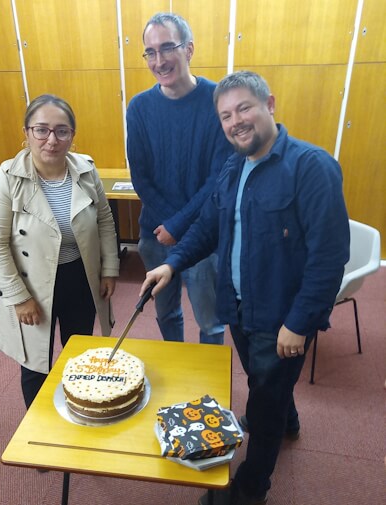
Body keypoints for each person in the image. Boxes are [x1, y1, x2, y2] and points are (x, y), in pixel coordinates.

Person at [140, 71, 350, 505]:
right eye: (225, 115)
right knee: (262, 380)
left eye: (244, 108)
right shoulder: (234, 166)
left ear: (269, 104)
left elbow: (329, 260)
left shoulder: (312, 167)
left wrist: (299, 323)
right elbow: (209, 227)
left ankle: (251, 489)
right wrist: (172, 265)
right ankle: (285, 417)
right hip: (237, 306)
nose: (235, 121)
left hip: (281, 318)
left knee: (265, 401)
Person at [0, 94, 120, 409]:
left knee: (79, 352)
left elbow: (103, 219)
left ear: (72, 135)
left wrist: (110, 267)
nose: (51, 140)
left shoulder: (85, 168)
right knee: (35, 362)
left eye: (62, 131)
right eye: (41, 129)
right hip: (32, 284)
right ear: (27, 132)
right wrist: (18, 296)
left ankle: (80, 409)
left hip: (80, 276)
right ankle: (38, 428)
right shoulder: (6, 178)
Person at [126, 12, 233, 344]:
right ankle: (176, 376)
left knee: (210, 320)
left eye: (167, 47)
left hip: (203, 234)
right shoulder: (139, 107)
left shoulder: (218, 101)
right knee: (166, 312)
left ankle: (208, 389)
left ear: (188, 49)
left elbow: (219, 177)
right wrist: (169, 224)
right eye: (150, 52)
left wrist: (181, 225)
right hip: (156, 233)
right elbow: (140, 175)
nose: (159, 60)